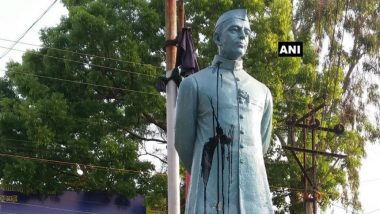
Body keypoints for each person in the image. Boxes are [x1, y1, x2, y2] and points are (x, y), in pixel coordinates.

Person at [175, 9, 274, 214]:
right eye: (235, 30)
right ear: (217, 37)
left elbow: (261, 145)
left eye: (246, 32)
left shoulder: (263, 92)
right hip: (208, 196)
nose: (242, 36)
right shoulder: (193, 84)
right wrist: (210, 169)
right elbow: (184, 144)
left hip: (256, 196)